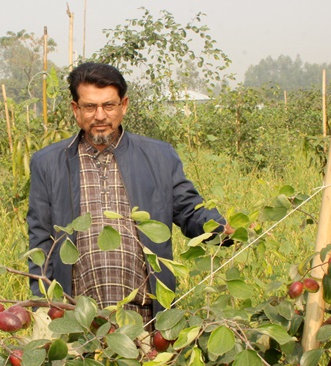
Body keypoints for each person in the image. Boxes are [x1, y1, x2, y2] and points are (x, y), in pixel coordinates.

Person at [27, 62, 231, 323]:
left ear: (123, 105)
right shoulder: (48, 163)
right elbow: (40, 239)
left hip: (145, 316)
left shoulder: (159, 156)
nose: (100, 116)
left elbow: (189, 210)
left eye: (108, 105)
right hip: (76, 318)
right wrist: (42, 307)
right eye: (90, 106)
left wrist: (219, 228)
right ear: (75, 109)